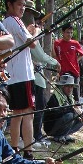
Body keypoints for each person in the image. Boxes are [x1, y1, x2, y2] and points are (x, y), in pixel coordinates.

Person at [2, 0, 38, 158]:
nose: (22, 8)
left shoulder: (7, 22)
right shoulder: (14, 20)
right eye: (19, 5)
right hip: (23, 75)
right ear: (9, 5)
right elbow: (32, 44)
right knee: (28, 113)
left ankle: (15, 148)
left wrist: (29, 31)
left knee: (17, 114)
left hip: (14, 75)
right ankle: (28, 150)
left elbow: (23, 39)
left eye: (24, 5)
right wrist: (36, 32)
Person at [28, 9, 60, 146]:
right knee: (38, 107)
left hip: (36, 76)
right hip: (35, 78)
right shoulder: (31, 37)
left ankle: (36, 134)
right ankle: (36, 135)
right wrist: (56, 62)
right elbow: (40, 55)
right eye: (38, 23)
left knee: (38, 107)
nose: (40, 27)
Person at [43, 73, 83, 143]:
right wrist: (73, 110)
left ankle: (65, 134)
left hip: (61, 123)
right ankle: (58, 135)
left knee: (82, 117)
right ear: (62, 87)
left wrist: (80, 113)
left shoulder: (70, 97)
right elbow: (56, 114)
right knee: (70, 116)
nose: (70, 89)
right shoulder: (55, 97)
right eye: (67, 86)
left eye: (71, 86)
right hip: (51, 126)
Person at [52, 23, 83, 99]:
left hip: (74, 71)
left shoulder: (75, 43)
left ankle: (76, 107)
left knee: (75, 92)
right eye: (67, 32)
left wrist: (75, 61)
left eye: (71, 32)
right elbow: (54, 55)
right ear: (63, 32)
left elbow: (81, 54)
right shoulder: (57, 43)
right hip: (62, 71)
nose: (69, 34)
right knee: (62, 91)